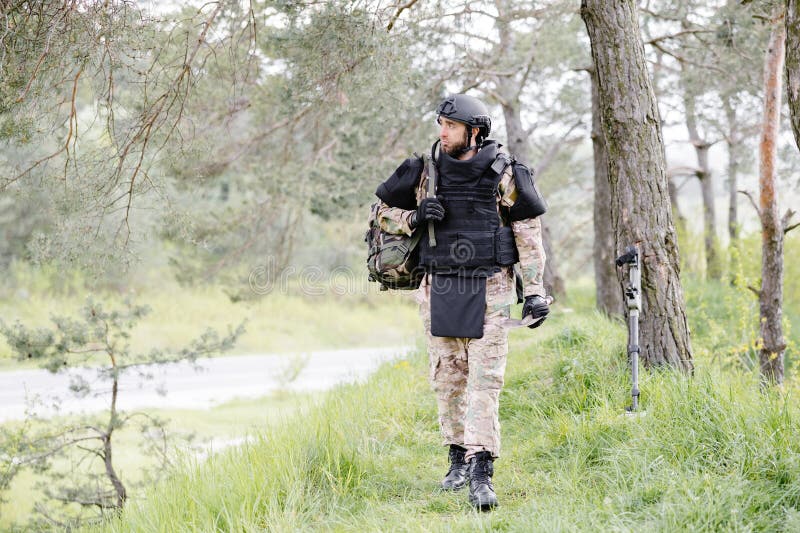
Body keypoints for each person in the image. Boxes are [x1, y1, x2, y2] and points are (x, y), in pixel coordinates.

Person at [374, 94, 549, 511]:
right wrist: (413, 218)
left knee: (485, 382)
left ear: (473, 130)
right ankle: (456, 461)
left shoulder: (504, 171)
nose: (442, 132)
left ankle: (481, 470)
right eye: (440, 124)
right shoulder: (424, 173)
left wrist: (537, 290)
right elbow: (380, 214)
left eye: (450, 126)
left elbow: (527, 232)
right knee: (447, 381)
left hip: (492, 290)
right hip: (439, 290)